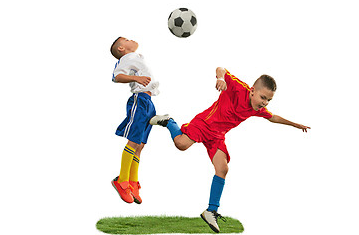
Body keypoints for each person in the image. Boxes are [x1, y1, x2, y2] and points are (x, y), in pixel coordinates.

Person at [149, 67, 310, 233]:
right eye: (263, 97)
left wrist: (295, 125)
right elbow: (221, 69)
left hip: (218, 135)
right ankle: (169, 122)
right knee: (181, 145)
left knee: (223, 169)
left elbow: (273, 117)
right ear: (253, 91)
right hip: (205, 124)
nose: (264, 103)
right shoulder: (239, 88)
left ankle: (211, 211)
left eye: (269, 100)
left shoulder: (259, 109)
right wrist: (221, 79)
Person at [110, 37, 159, 204]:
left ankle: (132, 182)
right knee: (133, 141)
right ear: (122, 48)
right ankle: (121, 180)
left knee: (141, 144)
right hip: (139, 100)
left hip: (148, 102)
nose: (132, 39)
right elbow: (116, 76)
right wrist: (136, 79)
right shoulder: (126, 58)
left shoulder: (136, 57)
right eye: (126, 39)